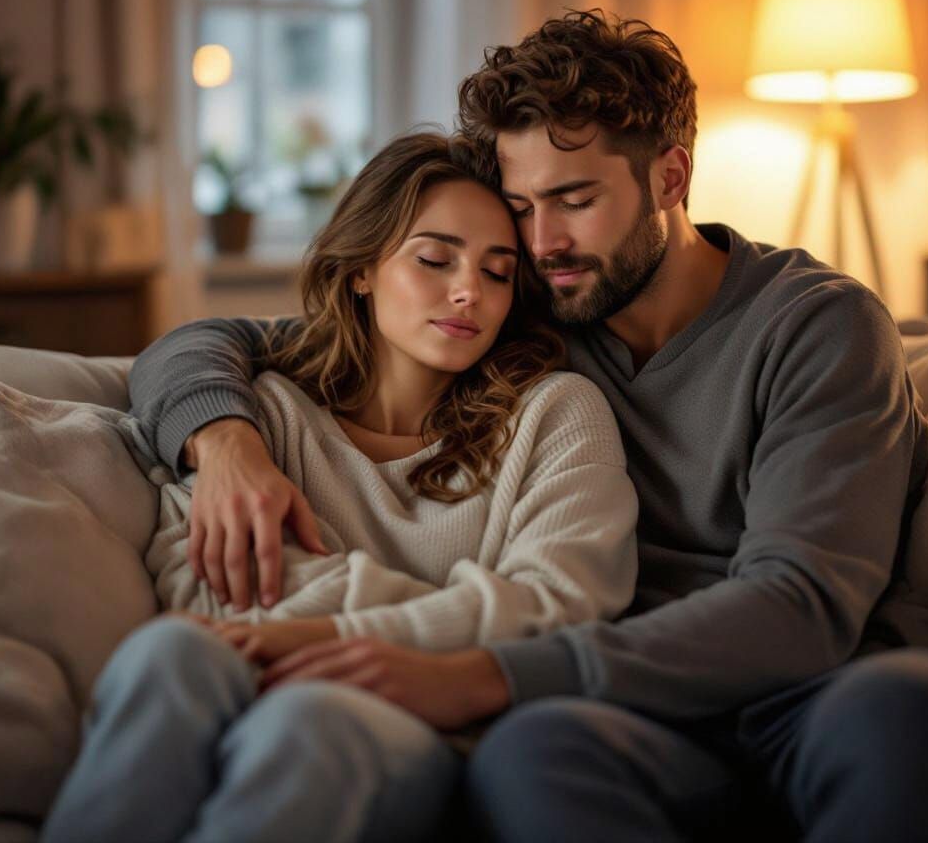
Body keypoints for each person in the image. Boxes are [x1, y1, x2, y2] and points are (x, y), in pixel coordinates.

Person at [123, 11, 928, 842]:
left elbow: (801, 607)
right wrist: (225, 440)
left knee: (911, 706)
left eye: (574, 199)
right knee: (529, 756)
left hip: (805, 694)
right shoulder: (530, 307)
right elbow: (222, 343)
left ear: (671, 177)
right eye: (522, 207)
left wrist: (488, 672)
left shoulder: (817, 326)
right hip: (626, 720)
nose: (540, 243)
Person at [40, 131, 639, 843]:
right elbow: (204, 585)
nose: (466, 291)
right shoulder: (259, 412)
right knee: (170, 652)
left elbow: (561, 606)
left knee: (308, 720)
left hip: (434, 731)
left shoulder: (556, 413)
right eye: (434, 258)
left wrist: (323, 632)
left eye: (498, 271)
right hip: (245, 678)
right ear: (362, 269)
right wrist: (442, 613)